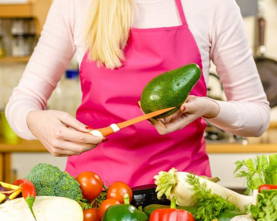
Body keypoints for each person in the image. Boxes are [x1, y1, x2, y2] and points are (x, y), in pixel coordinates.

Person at [5, 0, 270, 187]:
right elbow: (21, 102)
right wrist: (35, 121)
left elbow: (258, 117)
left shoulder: (213, 5)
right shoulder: (76, 4)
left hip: (183, 196)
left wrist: (213, 109)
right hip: (93, 196)